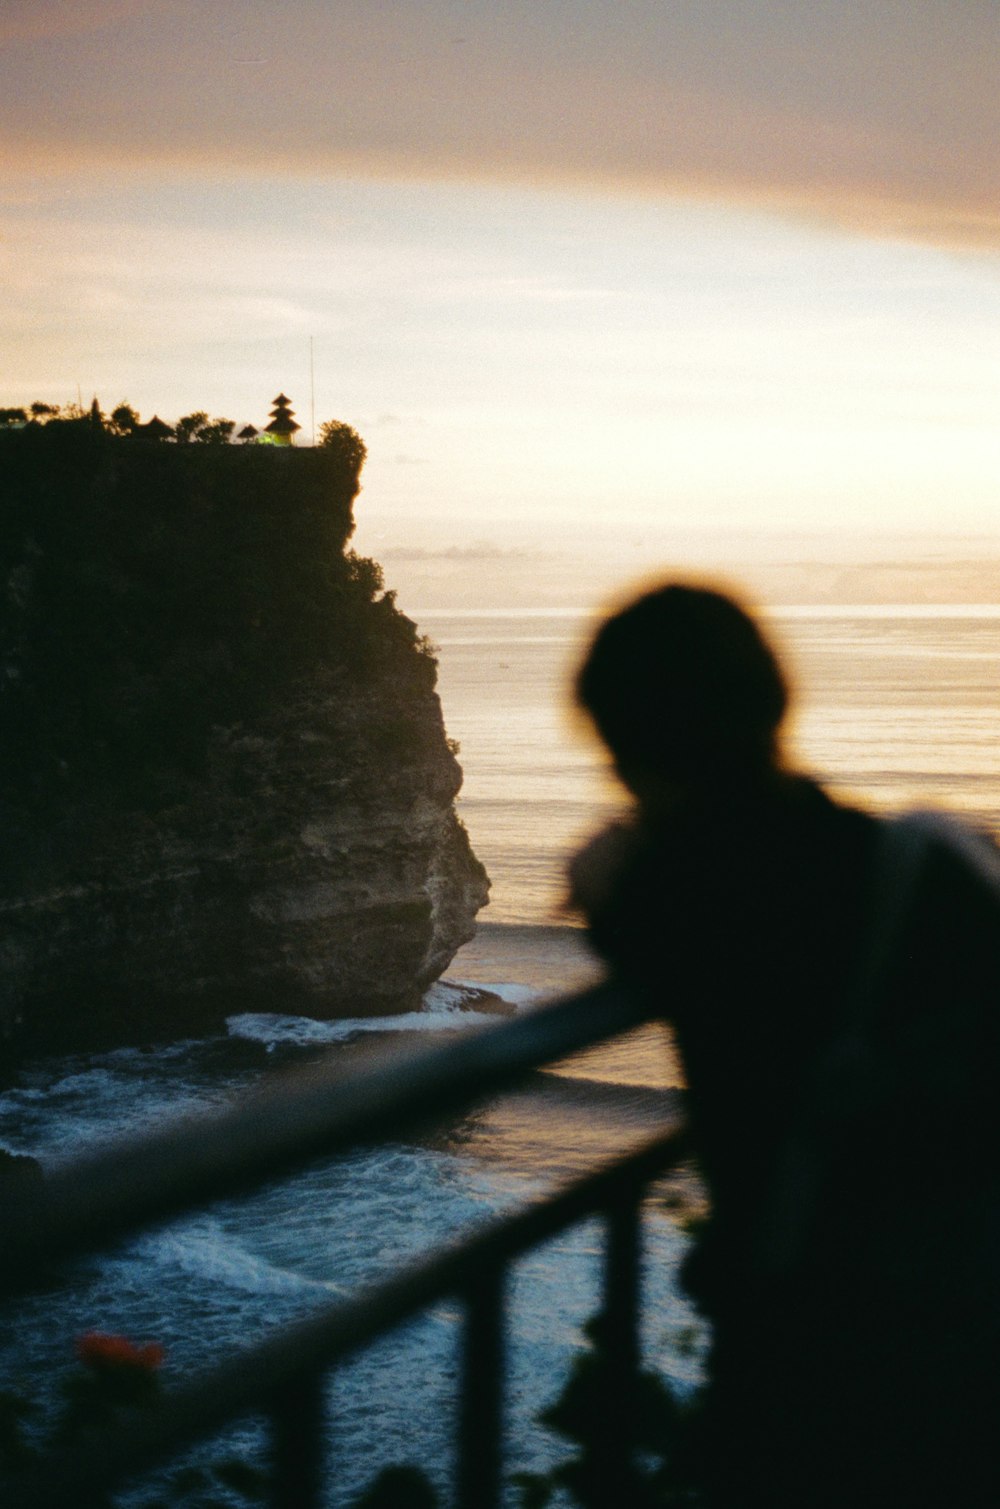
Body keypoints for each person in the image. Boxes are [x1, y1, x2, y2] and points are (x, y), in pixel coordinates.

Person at [569, 581, 1000, 1509]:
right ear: (776, 702)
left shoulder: (683, 898)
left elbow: (620, 898)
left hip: (828, 1360)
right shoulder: (924, 871)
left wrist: (615, 866)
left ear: (619, 747)